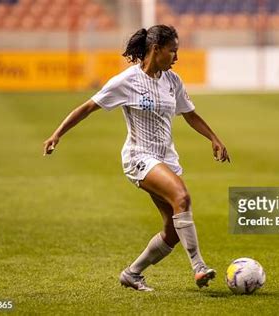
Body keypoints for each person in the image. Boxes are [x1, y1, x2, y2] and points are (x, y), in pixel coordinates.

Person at [43, 25, 230, 292]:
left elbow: (189, 114)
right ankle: (199, 267)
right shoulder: (127, 81)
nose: (176, 57)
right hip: (139, 157)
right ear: (156, 50)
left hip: (166, 158)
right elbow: (87, 107)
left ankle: (132, 273)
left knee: (173, 231)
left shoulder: (172, 81)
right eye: (172, 51)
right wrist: (56, 134)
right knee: (182, 198)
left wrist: (213, 138)